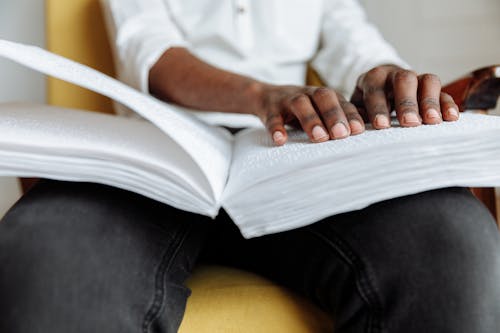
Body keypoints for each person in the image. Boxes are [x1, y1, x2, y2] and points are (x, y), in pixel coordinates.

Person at [0, 0, 499, 332]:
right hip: (159, 152)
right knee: (50, 245)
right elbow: (150, 55)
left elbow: (357, 47)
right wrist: (263, 96)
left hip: (287, 152)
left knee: (449, 239)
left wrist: (384, 77)